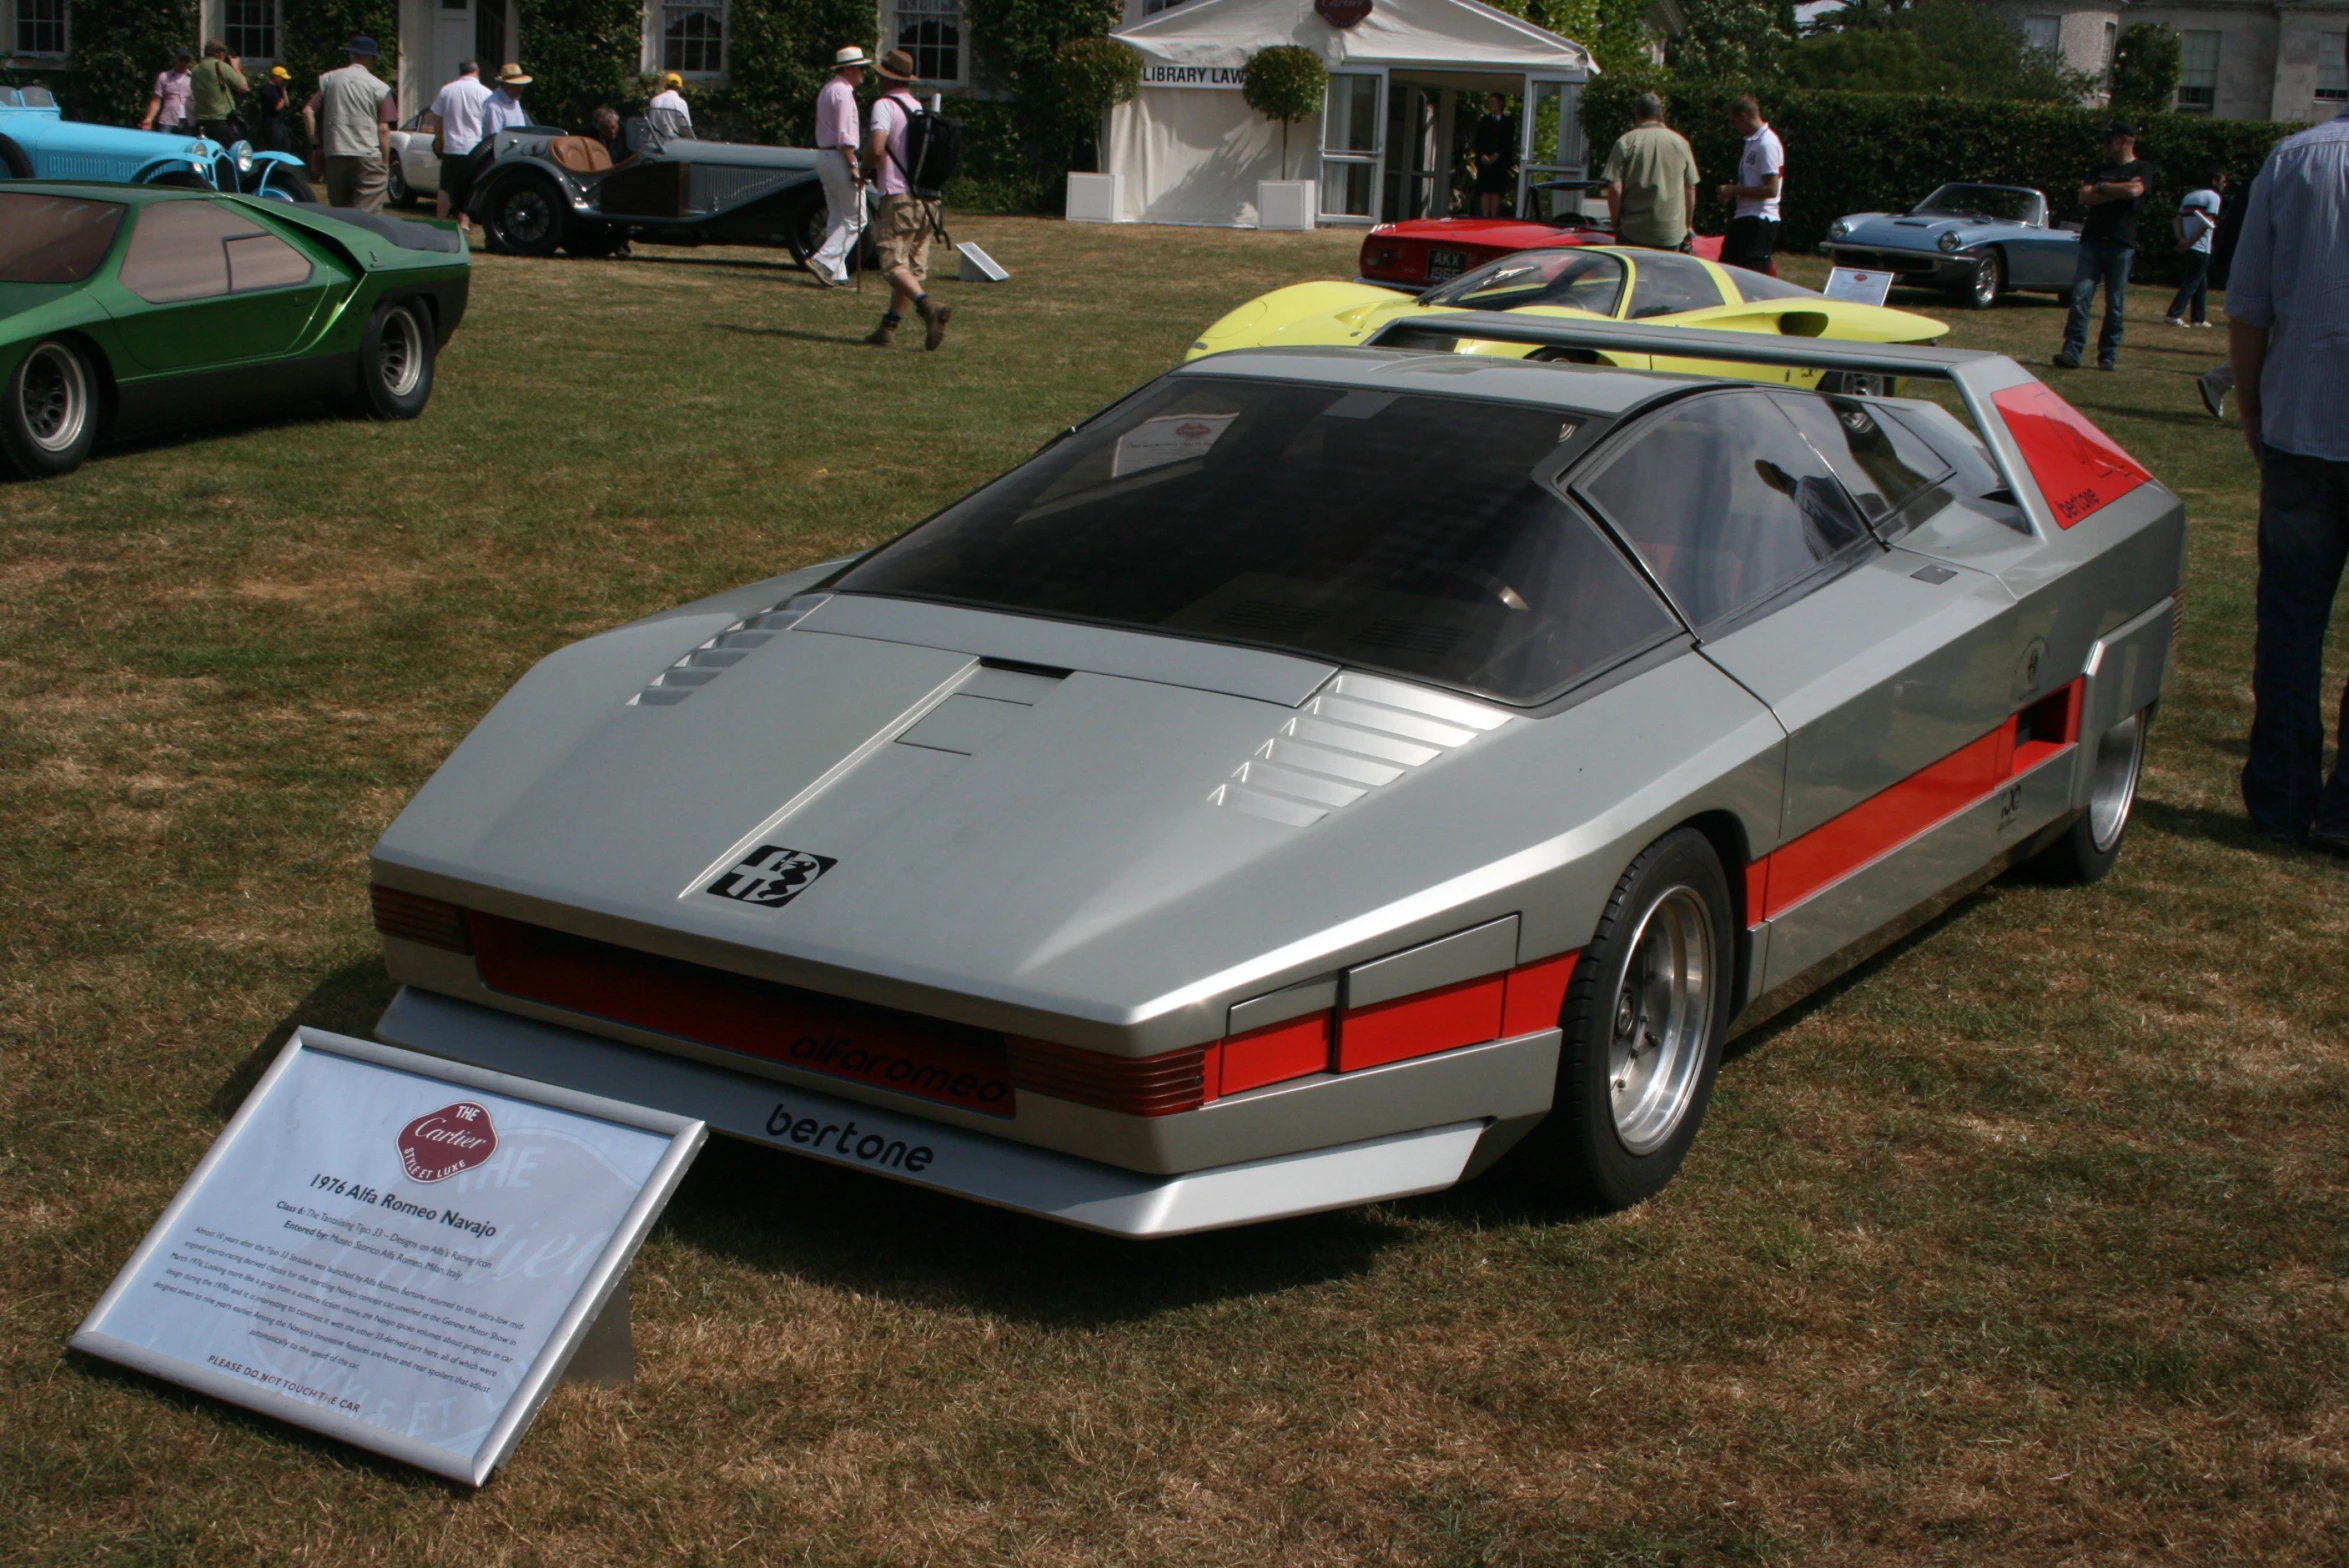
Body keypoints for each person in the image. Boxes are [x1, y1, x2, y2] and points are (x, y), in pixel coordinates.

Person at [2226, 49, 2349, 853]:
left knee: (2290, 622)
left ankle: (2279, 795)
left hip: (2303, 425)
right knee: (2291, 620)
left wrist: (2253, 409)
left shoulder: (2297, 158)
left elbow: (2247, 305)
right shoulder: (2298, 157)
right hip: (2303, 425)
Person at [863, 50, 952, 349]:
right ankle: (887, 329)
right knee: (910, 270)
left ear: (886, 77)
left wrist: (863, 169)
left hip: (898, 195)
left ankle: (929, 307)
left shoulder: (884, 105)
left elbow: (876, 149)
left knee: (891, 265)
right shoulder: (917, 106)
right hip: (928, 200)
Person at [2054, 122, 2154, 371]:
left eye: (2109, 141)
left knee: (2116, 303)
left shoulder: (2143, 167)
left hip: (2121, 244)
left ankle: (2107, 355)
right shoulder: (2100, 169)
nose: (2105, 146)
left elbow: (2134, 190)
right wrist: (2111, 191)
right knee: (2080, 297)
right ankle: (2072, 351)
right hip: (2092, 241)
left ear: (2124, 141)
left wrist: (2103, 188)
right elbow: (2084, 196)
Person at [303, 37, 395, 212]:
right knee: (367, 217)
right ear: (369, 58)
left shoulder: (329, 80)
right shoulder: (379, 87)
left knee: (340, 214)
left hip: (336, 154)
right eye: (374, 58)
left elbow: (307, 112)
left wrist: (316, 146)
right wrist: (385, 162)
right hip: (368, 156)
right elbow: (383, 129)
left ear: (352, 56)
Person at [1600, 93, 1698, 253]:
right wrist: (1687, 225)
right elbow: (1690, 188)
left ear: (1637, 113)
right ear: (1661, 114)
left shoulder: (1625, 142)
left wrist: (1616, 222)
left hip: (1633, 231)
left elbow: (1615, 188)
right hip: (1671, 232)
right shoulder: (1680, 143)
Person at [809, 45, 869, 289]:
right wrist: (854, 167)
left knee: (836, 216)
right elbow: (845, 136)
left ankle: (836, 273)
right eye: (860, 68)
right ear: (849, 68)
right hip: (838, 156)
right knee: (858, 217)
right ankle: (823, 260)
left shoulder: (828, 89)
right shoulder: (843, 93)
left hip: (824, 156)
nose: (863, 73)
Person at [1716, 95, 1783, 274]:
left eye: (1734, 120)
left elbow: (1771, 189)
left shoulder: (1766, 144)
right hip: (1746, 217)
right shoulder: (1752, 142)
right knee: (1728, 271)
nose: (1733, 125)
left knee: (1751, 275)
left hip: (1760, 219)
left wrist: (1734, 190)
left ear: (1744, 116)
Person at [427, 59, 493, 234]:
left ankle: (440, 219)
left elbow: (437, 117)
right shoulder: (485, 93)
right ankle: (464, 222)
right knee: (470, 186)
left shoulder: (447, 90)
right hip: (476, 147)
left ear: (460, 72)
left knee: (446, 185)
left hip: (453, 145)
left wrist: (439, 138)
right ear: (477, 71)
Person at [2166, 170, 2225, 327]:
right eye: (2222, 181)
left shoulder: (2189, 196)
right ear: (2214, 180)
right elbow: (2208, 222)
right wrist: (2191, 241)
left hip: (2189, 246)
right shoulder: (2214, 197)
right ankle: (2174, 313)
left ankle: (2198, 318)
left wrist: (2182, 239)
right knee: (2192, 282)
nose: (2224, 185)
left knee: (2201, 282)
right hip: (2200, 247)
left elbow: (2178, 219)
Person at [190, 41, 247, 147]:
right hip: (221, 122)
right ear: (220, 54)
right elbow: (244, 87)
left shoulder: (195, 69)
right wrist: (235, 67)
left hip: (201, 123)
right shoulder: (220, 66)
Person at [1472, 93, 1513, 219]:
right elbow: (1478, 140)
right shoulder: (1484, 120)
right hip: (1485, 160)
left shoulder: (1507, 122)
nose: (1491, 105)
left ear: (1500, 103)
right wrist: (1482, 155)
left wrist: (1498, 154)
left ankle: (1493, 216)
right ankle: (1485, 216)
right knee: (1485, 189)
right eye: (1490, 102)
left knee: (1496, 189)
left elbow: (1508, 141)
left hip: (1499, 162)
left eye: (1493, 102)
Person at [141, 48, 194, 134]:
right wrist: (149, 118)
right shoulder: (164, 76)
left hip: (188, 121)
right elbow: (156, 100)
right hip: (168, 120)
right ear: (175, 59)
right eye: (181, 59)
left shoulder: (194, 78)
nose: (183, 63)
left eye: (186, 60)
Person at [481, 64, 531, 137]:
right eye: (516, 85)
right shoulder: (493, 106)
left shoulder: (514, 99)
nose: (521, 89)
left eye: (522, 85)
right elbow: (493, 138)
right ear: (505, 84)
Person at [255, 64, 292, 152]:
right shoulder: (267, 89)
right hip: (271, 124)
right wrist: (282, 100)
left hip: (280, 123)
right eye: (282, 78)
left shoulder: (278, 89)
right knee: (275, 148)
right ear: (276, 77)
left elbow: (287, 104)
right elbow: (278, 107)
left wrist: (283, 90)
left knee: (286, 147)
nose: (284, 80)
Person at [648, 72, 694, 140]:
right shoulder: (680, 102)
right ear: (680, 88)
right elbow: (685, 128)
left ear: (666, 86)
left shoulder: (654, 100)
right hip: (672, 142)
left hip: (654, 141)